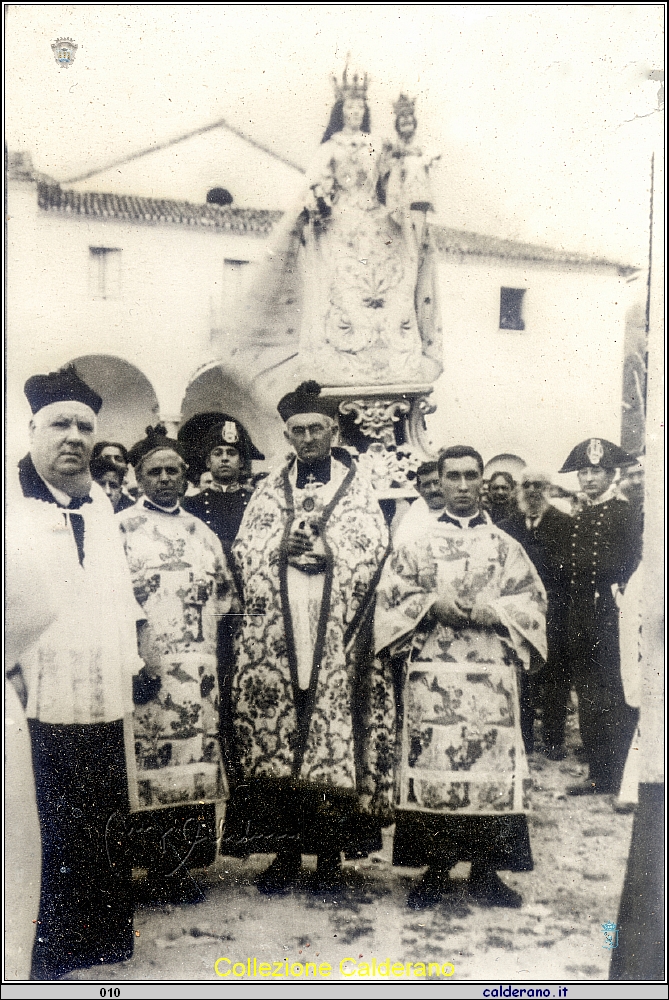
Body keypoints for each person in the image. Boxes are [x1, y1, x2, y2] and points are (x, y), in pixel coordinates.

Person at [225, 381, 394, 893]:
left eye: (315, 429)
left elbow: (373, 546)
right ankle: (282, 853)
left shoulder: (358, 488)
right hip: (279, 633)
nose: (307, 438)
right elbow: (244, 549)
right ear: (286, 436)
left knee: (328, 729)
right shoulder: (269, 488)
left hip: (334, 630)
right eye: (297, 431)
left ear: (333, 431)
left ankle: (328, 857)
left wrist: (328, 552)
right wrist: (280, 542)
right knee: (280, 728)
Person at [9, 365, 144, 979]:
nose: (73, 437)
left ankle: (97, 937)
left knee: (99, 812)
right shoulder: (12, 507)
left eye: (85, 426)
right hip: (31, 693)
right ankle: (42, 946)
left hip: (100, 688)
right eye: (59, 423)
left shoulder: (102, 508)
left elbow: (119, 592)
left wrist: (133, 661)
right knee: (43, 823)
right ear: (31, 428)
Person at [375, 445, 547, 910]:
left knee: (489, 768)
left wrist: (496, 612)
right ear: (441, 481)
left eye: (472, 476)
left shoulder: (506, 547)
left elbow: (532, 601)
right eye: (454, 477)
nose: (465, 486)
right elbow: (390, 597)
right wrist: (432, 605)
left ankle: (487, 873)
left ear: (483, 482)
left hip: (490, 679)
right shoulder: (415, 546)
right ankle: (434, 870)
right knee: (437, 764)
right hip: (435, 678)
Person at [117, 426, 238, 901]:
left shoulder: (201, 531)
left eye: (173, 470)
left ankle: (180, 870)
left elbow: (227, 597)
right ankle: (145, 867)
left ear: (187, 476)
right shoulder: (120, 528)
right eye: (154, 471)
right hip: (145, 664)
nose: (165, 478)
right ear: (138, 477)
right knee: (145, 762)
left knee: (191, 762)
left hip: (198, 671)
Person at [558, 438, 642, 795]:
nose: (589, 478)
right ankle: (597, 771)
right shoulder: (580, 514)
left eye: (597, 471)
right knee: (588, 691)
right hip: (582, 614)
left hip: (612, 612)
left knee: (614, 691)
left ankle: (619, 774)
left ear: (612, 474)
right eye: (584, 472)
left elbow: (630, 565)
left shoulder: (625, 514)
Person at [499, 470, 572, 757]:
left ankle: (554, 740)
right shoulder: (507, 526)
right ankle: (524, 739)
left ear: (549, 489)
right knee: (523, 674)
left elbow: (565, 569)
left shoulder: (565, 524)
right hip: (518, 613)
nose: (531, 490)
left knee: (555, 675)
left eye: (537, 485)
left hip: (554, 612)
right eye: (526, 484)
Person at [181, 416, 264, 560]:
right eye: (218, 453)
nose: (224, 458)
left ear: (241, 462)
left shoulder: (256, 502)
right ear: (208, 462)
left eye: (231, 453)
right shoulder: (190, 504)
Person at [393, 460, 446, 545]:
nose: (433, 489)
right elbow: (400, 545)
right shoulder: (416, 512)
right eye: (427, 485)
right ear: (418, 490)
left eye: (437, 483)